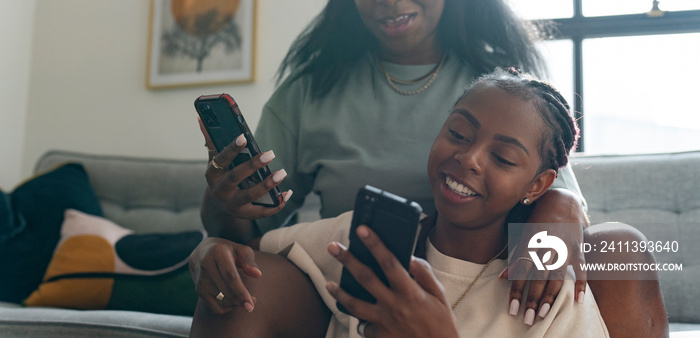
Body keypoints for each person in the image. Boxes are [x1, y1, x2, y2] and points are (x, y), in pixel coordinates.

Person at [190, 0, 667, 335]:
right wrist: (222, 212)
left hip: (493, 287)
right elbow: (253, 230)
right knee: (240, 284)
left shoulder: (497, 83)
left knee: (619, 246)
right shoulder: (312, 89)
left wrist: (561, 202)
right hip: (358, 284)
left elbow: (550, 183)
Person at [190, 69, 616, 337]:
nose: (468, 158)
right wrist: (210, 250)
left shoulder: (548, 294)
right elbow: (249, 256)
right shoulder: (362, 238)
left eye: (503, 158)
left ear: (538, 185)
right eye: (458, 134)